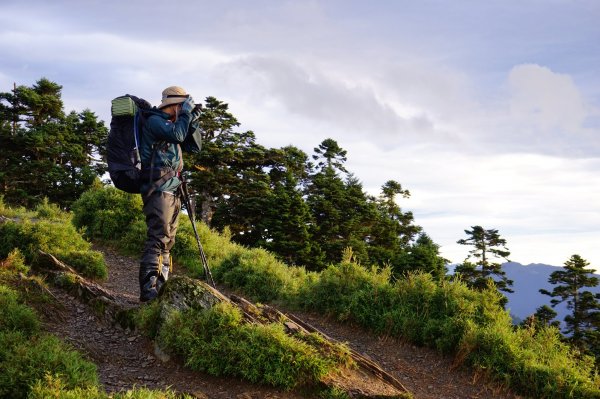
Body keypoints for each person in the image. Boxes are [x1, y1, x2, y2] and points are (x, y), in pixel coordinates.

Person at [138, 86, 202, 302]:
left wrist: (191, 119)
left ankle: (161, 287)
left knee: (167, 240)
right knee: (158, 236)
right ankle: (148, 291)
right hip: (158, 186)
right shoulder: (155, 121)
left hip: (172, 187)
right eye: (183, 106)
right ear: (174, 105)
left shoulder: (173, 124)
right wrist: (185, 114)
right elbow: (178, 134)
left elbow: (194, 146)